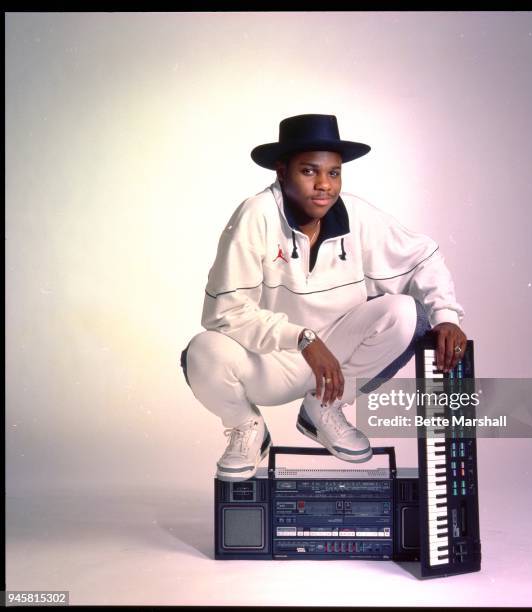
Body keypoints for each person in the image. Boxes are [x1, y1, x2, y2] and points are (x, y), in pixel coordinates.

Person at [181, 114, 467, 482]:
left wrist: (446, 315)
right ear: (282, 173)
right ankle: (245, 428)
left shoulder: (355, 214)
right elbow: (226, 312)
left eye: (333, 173)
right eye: (309, 171)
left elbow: (423, 256)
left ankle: (324, 408)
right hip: (271, 361)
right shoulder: (256, 215)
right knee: (202, 351)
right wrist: (302, 338)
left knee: (407, 313)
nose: (324, 186)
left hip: (337, 362)